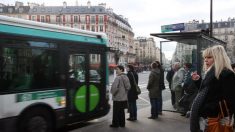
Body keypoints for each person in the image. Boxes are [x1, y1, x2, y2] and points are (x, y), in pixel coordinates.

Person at [190, 45, 235, 132]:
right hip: (209, 117)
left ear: (218, 58)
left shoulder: (226, 74)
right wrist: (198, 81)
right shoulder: (211, 72)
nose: (205, 60)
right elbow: (207, 91)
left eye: (209, 57)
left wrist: (209, 108)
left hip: (217, 119)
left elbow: (231, 100)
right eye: (205, 57)